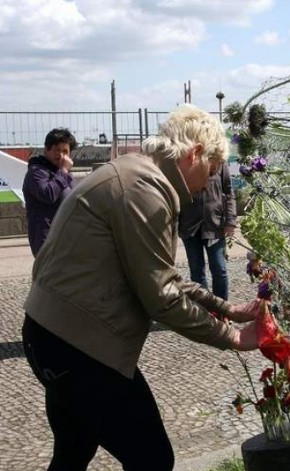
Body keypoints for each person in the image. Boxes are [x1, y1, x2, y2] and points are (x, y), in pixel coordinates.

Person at [21, 104, 260, 471]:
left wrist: (228, 309)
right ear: (195, 154)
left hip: (52, 335)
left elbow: (162, 274)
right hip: (78, 346)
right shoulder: (145, 190)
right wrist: (234, 337)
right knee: (152, 458)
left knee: (74, 449)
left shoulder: (139, 175)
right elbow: (161, 297)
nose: (206, 185)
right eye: (210, 173)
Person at [179, 161, 236, 300]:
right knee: (196, 271)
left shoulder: (219, 161)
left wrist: (230, 221)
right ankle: (205, 311)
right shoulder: (185, 159)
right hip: (189, 226)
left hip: (214, 225)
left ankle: (223, 311)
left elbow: (228, 192)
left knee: (219, 269)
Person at [22, 127, 77, 256]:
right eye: (56, 150)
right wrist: (63, 171)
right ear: (47, 150)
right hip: (47, 241)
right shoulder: (36, 172)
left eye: (65, 151)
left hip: (67, 239)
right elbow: (48, 194)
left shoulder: (64, 174)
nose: (61, 155)